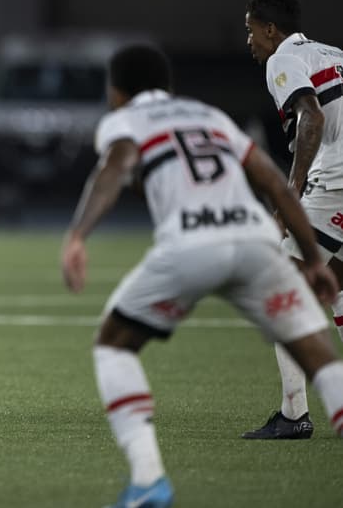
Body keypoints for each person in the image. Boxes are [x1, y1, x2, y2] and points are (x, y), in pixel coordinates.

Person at [61, 44, 343, 508]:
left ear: (116, 92)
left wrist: (77, 234)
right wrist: (313, 259)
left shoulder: (123, 120)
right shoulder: (208, 115)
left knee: (114, 345)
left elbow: (114, 169)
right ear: (167, 87)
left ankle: (149, 479)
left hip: (190, 244)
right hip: (253, 240)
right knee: (316, 352)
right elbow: (273, 180)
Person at [243, 0, 343, 439]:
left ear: (270, 29)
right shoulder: (334, 55)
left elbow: (312, 118)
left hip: (336, 183)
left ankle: (293, 414)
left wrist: (291, 194)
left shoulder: (282, 60)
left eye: (251, 31)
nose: (249, 42)